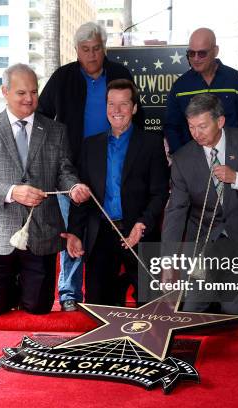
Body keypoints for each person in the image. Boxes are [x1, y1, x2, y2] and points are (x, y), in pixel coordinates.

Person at [0, 63, 90, 316]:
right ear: (5, 91)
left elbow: (64, 172)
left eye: (34, 92)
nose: (29, 98)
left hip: (42, 234)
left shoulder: (56, 130)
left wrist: (74, 186)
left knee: (38, 308)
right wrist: (12, 191)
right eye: (22, 93)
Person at [38, 21, 142, 311]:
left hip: (113, 162)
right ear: (77, 50)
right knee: (74, 228)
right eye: (85, 49)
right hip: (72, 168)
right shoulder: (62, 77)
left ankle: (120, 284)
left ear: (104, 48)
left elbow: (139, 113)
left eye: (97, 48)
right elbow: (42, 117)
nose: (92, 55)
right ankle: (70, 293)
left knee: (110, 226)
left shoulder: (120, 73)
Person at [161, 94, 238, 316]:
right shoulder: (182, 159)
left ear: (220, 121)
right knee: (191, 310)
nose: (196, 134)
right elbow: (175, 213)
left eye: (202, 126)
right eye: (191, 127)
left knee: (234, 310)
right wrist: (167, 261)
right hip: (205, 243)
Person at [63, 79, 169, 306]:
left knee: (151, 306)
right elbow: (83, 196)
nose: (117, 111)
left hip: (138, 234)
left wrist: (143, 224)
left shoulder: (151, 143)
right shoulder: (90, 146)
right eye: (111, 104)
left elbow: (160, 193)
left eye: (123, 104)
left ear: (134, 108)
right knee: (99, 307)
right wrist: (74, 232)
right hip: (100, 234)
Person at [164, 28, 238, 154]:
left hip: (232, 159)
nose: (195, 58)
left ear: (215, 51)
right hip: (193, 162)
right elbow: (171, 127)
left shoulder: (235, 81)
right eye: (191, 53)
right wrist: (182, 158)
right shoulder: (180, 86)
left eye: (201, 53)